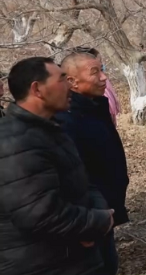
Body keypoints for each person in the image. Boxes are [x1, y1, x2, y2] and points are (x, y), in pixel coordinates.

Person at [0, 57, 114, 275]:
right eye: (62, 80)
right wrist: (96, 223)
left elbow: (84, 181)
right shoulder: (13, 141)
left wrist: (100, 212)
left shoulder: (51, 128)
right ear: (37, 89)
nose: (69, 86)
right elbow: (38, 214)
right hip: (42, 264)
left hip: (71, 258)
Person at [56, 52, 130, 275]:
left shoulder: (95, 107)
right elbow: (72, 179)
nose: (104, 77)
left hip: (105, 210)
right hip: (88, 217)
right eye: (95, 72)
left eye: (102, 70)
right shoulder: (66, 119)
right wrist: (86, 223)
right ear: (72, 82)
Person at [70, 47, 121, 126]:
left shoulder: (102, 90)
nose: (104, 77)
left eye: (101, 68)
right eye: (94, 71)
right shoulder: (75, 111)